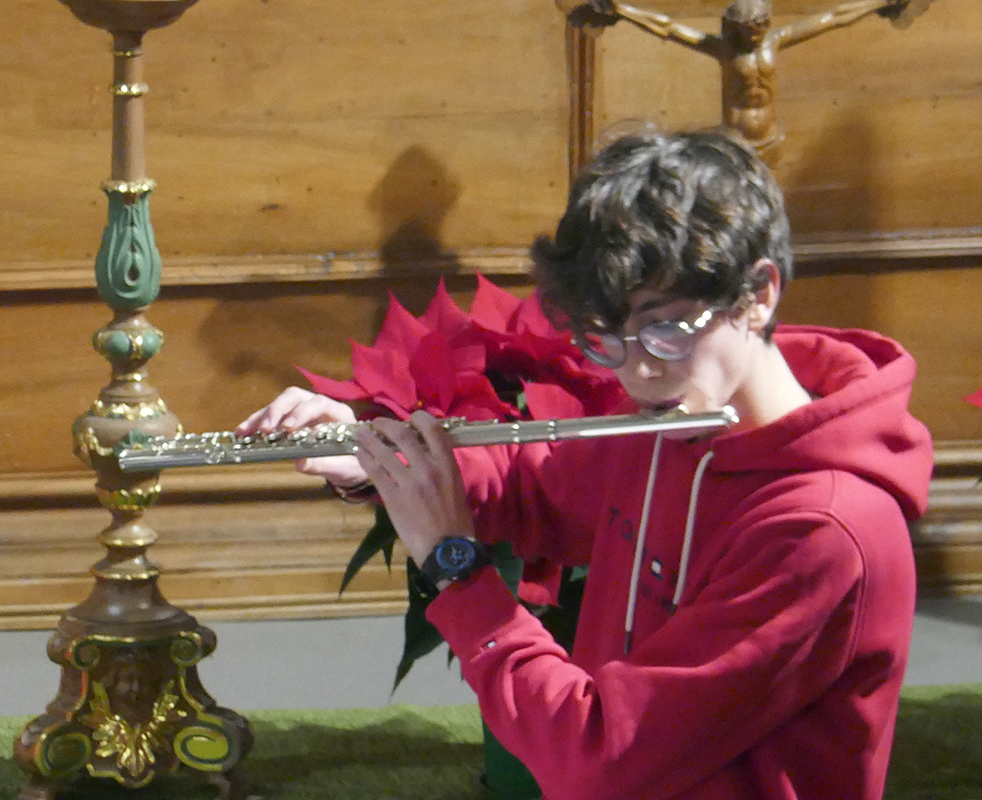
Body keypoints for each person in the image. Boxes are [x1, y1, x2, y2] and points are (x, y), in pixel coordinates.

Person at [237, 128, 934, 799]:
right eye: (605, 341)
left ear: (758, 294)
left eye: (664, 328)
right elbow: (537, 489)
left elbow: (601, 758)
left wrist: (456, 567)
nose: (637, 373)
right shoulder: (680, 425)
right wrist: (377, 459)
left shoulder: (822, 532)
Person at [560, 0, 934, 163]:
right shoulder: (724, 50)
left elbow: (832, 18)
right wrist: (621, 10)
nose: (755, 35)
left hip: (769, 139)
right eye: (748, 30)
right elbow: (669, 28)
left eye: (760, 28)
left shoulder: (774, 42)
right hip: (734, 142)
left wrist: (878, 3)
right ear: (735, 28)